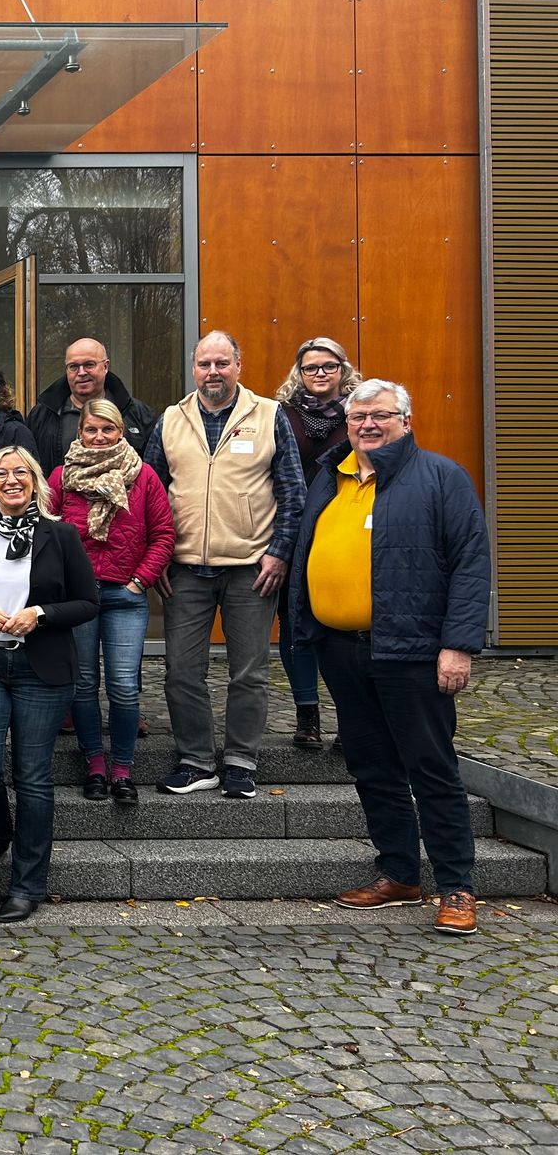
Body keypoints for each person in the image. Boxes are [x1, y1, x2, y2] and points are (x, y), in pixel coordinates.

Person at [293, 380, 490, 936]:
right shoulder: (331, 478)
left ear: (406, 418)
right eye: (358, 417)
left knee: (430, 767)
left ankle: (456, 886)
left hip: (413, 652)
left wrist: (459, 645)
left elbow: (471, 565)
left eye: (381, 415)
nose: (368, 425)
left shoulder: (441, 478)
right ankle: (399, 873)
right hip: (341, 650)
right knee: (372, 766)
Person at [0, 445, 100, 923]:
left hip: (42, 668)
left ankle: (27, 884)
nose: (11, 480)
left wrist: (41, 614)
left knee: (33, 778)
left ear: (35, 482)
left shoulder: (63, 536)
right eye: (1, 474)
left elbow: (89, 602)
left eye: (20, 473)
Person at [145, 331, 304, 799]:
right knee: (180, 670)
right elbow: (150, 496)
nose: (212, 372)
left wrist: (279, 551)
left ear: (239, 366)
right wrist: (158, 560)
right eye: (203, 364)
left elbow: (293, 493)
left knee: (248, 670)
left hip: (253, 567)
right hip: (185, 568)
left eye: (221, 363)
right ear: (193, 369)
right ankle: (196, 761)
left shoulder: (271, 416)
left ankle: (239, 761)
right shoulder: (171, 419)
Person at [51, 400, 175, 804]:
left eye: (108, 429)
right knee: (83, 685)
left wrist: (142, 581)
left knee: (123, 687)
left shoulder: (143, 476)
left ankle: (122, 769)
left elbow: (163, 534)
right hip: (79, 600)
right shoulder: (61, 477)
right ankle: (94, 766)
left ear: (121, 431)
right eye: (92, 430)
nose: (100, 436)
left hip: (126, 595)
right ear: (80, 433)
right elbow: (47, 534)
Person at [274, 336, 361, 749]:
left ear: (343, 369)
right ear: (300, 373)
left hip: (343, 532)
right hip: (294, 530)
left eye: (329, 366)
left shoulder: (360, 413)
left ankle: (351, 720)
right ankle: (307, 716)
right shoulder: (283, 415)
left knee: (341, 629)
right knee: (294, 626)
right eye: (311, 367)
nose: (321, 374)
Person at [26, 337, 159, 475]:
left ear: (106, 366)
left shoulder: (137, 414)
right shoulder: (42, 416)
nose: (81, 372)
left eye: (89, 365)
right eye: (73, 367)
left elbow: (154, 473)